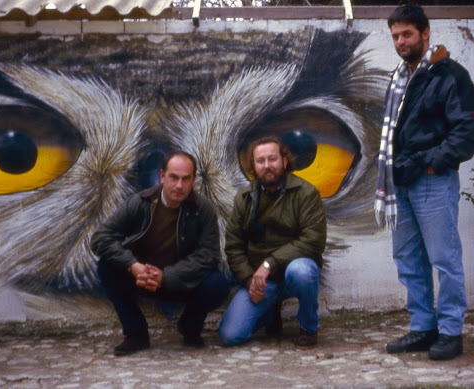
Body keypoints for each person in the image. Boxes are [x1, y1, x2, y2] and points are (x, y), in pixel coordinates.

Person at [375, 5, 474, 361]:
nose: (400, 42)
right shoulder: (399, 77)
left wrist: (432, 164)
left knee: (443, 259)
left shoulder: (449, 75)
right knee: (408, 259)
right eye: (395, 36)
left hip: (431, 182)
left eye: (406, 34)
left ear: (425, 33)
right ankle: (423, 327)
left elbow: (468, 130)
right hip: (401, 182)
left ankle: (451, 332)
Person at [90, 151, 229, 356]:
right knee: (107, 267)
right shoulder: (141, 202)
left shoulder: (203, 209)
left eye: (185, 179)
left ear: (193, 180)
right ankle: (136, 333)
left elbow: (209, 255)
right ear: (162, 176)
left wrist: (167, 276)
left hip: (181, 282)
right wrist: (133, 266)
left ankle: (190, 327)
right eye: (173, 177)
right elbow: (101, 238)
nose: (179, 185)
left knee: (217, 284)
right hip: (142, 278)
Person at [218, 136, 326, 348]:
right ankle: (269, 312)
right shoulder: (244, 198)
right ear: (253, 166)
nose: (267, 166)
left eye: (272, 159)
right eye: (260, 161)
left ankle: (308, 328)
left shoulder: (306, 193)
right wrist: (250, 281)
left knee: (302, 272)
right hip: (261, 280)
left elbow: (313, 240)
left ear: (284, 161)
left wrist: (270, 263)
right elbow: (233, 245)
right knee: (230, 336)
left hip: (291, 272)